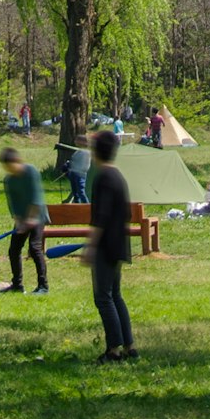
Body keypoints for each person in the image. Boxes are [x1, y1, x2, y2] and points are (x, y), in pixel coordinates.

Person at [85, 127, 137, 361]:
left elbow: (101, 217)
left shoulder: (103, 177)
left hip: (106, 246)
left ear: (96, 152)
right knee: (115, 295)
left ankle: (113, 349)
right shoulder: (119, 176)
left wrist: (91, 246)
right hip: (119, 243)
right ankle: (129, 347)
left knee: (104, 298)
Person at [0, 144, 51, 294]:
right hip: (22, 220)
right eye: (6, 167)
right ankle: (17, 285)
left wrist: (30, 220)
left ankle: (43, 286)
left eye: (10, 165)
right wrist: (18, 221)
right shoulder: (9, 180)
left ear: (17, 161)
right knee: (13, 250)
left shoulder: (31, 172)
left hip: (37, 217)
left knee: (35, 249)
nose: (9, 170)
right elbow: (13, 204)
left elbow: (37, 198)